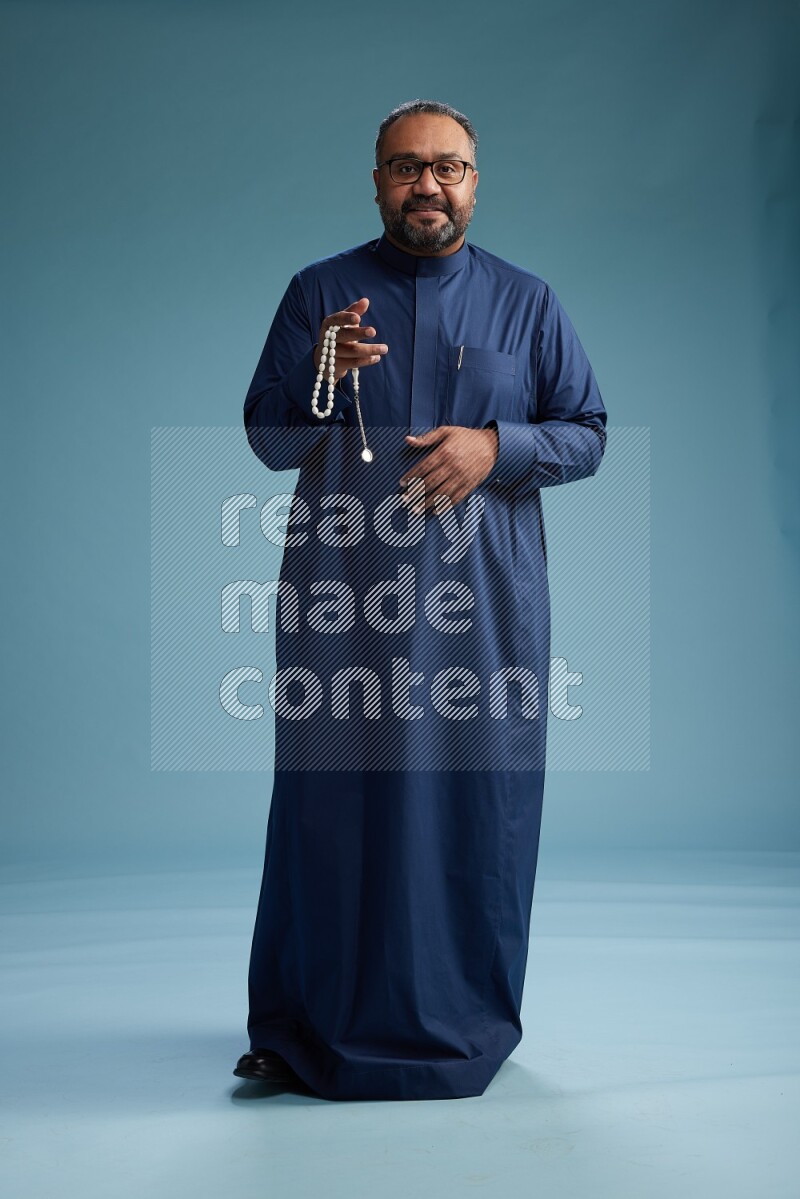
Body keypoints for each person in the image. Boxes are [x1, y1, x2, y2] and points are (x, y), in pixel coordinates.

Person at [235, 99, 607, 1101]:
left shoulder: (526, 303)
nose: (426, 185)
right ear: (375, 182)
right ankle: (297, 1024)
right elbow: (271, 439)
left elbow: (586, 431)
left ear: (474, 182)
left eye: (447, 167)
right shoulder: (322, 293)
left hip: (481, 609)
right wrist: (321, 376)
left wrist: (497, 445)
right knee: (328, 802)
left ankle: (461, 1021)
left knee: (471, 806)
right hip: (341, 600)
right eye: (405, 167)